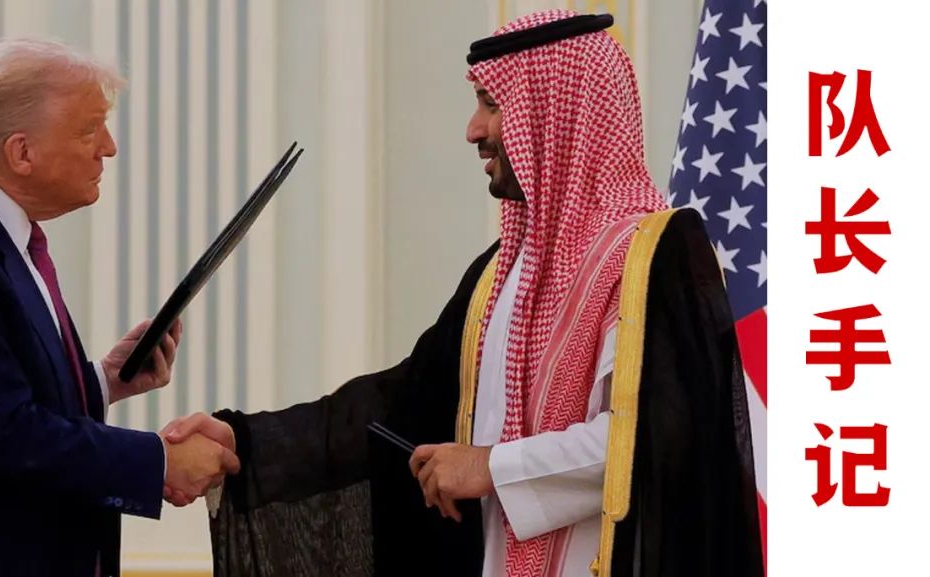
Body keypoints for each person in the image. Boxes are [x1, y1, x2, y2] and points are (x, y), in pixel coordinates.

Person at [166, 10, 762, 577]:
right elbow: (398, 401)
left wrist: (493, 466)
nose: (474, 130)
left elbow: (664, 436)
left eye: (491, 104)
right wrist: (246, 441)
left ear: (557, 113)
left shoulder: (655, 257)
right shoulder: (501, 272)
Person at [0, 38, 239, 577]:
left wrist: (100, 382)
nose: (109, 148)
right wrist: (159, 462)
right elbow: (0, 437)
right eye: (89, 129)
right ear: (22, 153)